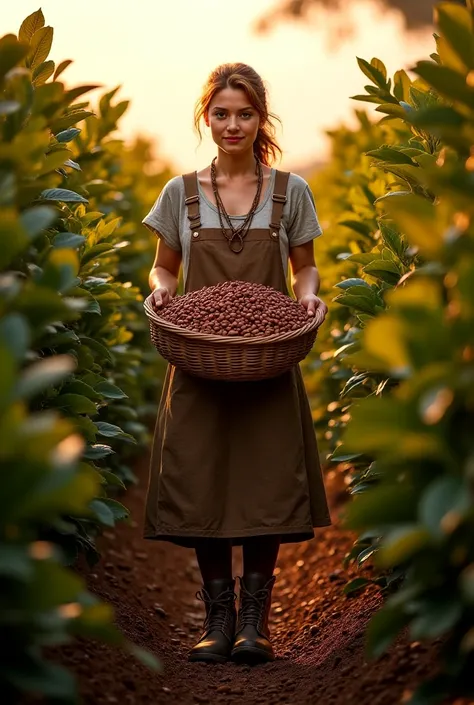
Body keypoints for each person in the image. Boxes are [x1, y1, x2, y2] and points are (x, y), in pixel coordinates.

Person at [142, 62, 331, 666]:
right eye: (221, 113)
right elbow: (163, 266)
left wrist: (305, 298)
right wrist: (162, 291)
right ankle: (217, 618)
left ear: (261, 118)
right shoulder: (180, 193)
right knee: (203, 483)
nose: (232, 124)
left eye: (244, 113)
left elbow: (303, 268)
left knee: (265, 482)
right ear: (207, 117)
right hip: (198, 356)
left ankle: (255, 620)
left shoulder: (290, 191)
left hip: (266, 360)